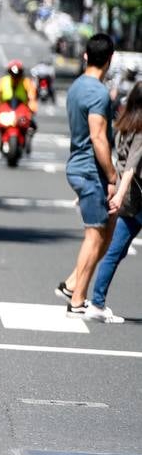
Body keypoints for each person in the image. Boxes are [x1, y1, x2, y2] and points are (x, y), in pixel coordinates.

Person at [57, 33, 118, 317]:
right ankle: (77, 301)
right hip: (90, 170)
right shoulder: (97, 92)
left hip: (78, 166)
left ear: (85, 56)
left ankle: (71, 285)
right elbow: (98, 136)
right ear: (110, 59)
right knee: (95, 235)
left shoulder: (77, 86)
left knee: (105, 228)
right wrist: (112, 176)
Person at [88, 82, 142, 322]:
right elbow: (132, 165)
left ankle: (97, 301)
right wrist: (120, 195)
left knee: (114, 252)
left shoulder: (124, 124)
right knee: (114, 252)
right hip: (135, 197)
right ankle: (97, 303)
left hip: (128, 197)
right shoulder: (141, 129)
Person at [0, 59, 38, 151]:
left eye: (18, 73)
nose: (15, 77)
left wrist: (32, 109)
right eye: (13, 73)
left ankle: (27, 142)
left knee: (32, 126)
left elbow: (32, 98)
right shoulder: (2, 81)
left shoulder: (26, 82)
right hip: (5, 108)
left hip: (21, 110)